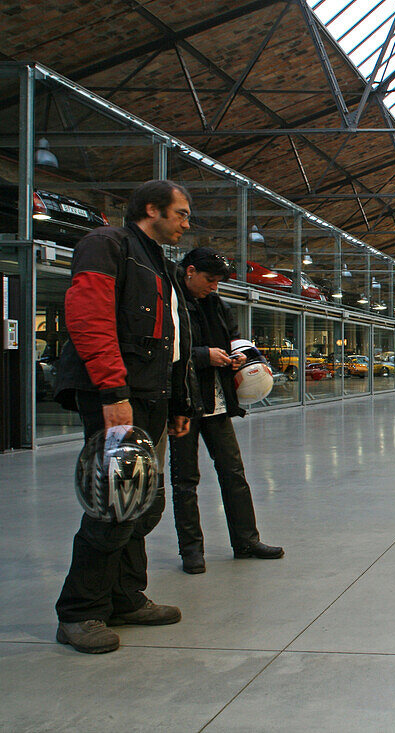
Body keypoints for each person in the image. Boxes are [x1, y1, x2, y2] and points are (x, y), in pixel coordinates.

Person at [51, 180, 195, 654]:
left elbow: (172, 343)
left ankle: (125, 596)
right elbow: (89, 319)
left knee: (143, 505)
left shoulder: (160, 263)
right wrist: (112, 391)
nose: (185, 223)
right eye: (180, 213)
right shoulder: (106, 245)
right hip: (116, 396)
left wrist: (177, 403)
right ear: (151, 208)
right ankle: (79, 611)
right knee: (114, 503)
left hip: (150, 398)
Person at [170, 247, 283, 575]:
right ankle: (191, 550)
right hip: (183, 405)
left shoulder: (216, 305)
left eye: (218, 281)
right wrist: (205, 356)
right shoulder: (171, 303)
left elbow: (234, 340)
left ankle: (246, 540)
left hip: (217, 404)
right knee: (184, 479)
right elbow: (166, 350)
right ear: (189, 271)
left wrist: (238, 359)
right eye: (209, 279)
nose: (214, 286)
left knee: (234, 473)